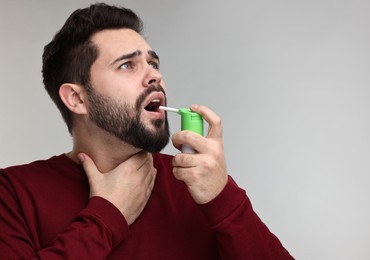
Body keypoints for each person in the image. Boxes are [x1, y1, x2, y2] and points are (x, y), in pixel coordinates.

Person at [0, 3, 294, 259]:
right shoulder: (12, 193)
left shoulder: (197, 184)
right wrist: (107, 215)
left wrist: (223, 198)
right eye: (127, 65)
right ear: (77, 98)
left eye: (153, 63)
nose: (155, 75)